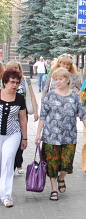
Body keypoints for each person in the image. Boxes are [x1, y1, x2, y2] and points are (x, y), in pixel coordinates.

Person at [35, 67, 86, 201]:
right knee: (52, 163)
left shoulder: (74, 96)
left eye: (60, 79)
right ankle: (53, 189)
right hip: (51, 136)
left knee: (67, 163)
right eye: (55, 79)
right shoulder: (50, 95)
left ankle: (61, 178)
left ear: (67, 80)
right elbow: (43, 115)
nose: (57, 82)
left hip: (69, 136)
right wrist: (38, 134)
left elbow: (83, 115)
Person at [5, 61, 39, 175]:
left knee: (20, 139)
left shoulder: (25, 80)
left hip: (22, 113)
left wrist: (35, 111)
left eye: (17, 68)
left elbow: (32, 95)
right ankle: (11, 163)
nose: (15, 69)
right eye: (12, 68)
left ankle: (18, 162)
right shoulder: (6, 80)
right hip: (9, 114)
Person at [0, 70, 28, 208]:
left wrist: (25, 138)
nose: (14, 85)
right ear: (5, 82)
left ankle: (6, 196)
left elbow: (23, 119)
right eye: (12, 82)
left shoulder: (20, 98)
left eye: (17, 82)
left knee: (7, 163)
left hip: (13, 134)